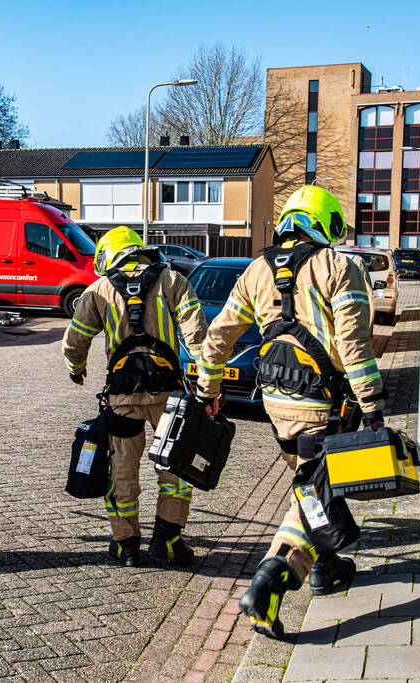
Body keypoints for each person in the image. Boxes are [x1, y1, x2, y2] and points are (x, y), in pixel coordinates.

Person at [195, 186, 385, 639]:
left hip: (275, 400)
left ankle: (328, 566)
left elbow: (219, 335)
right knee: (313, 493)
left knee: (310, 483)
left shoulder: (255, 270)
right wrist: (373, 404)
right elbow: (354, 346)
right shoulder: (340, 267)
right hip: (323, 402)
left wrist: (209, 389)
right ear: (326, 225)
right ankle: (273, 576)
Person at [62, 226, 208, 568]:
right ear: (140, 251)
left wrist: (76, 368)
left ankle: (125, 545)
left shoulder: (98, 290)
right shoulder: (173, 281)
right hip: (167, 395)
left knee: (122, 472)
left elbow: (75, 340)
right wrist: (207, 380)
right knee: (174, 469)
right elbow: (197, 335)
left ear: (108, 257)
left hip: (122, 398)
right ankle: (168, 540)